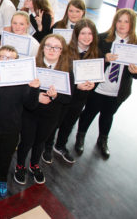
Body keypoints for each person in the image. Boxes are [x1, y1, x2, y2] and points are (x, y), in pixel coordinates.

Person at [76, 8, 137, 159]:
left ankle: (103, 140)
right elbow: (90, 59)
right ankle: (80, 137)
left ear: (132, 24)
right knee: (89, 113)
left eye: (126, 21)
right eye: (119, 20)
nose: (121, 24)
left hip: (118, 90)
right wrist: (104, 59)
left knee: (108, 115)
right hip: (98, 87)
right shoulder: (101, 39)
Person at [0, 46, 39, 199]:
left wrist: (34, 89)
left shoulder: (22, 80)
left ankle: (2, 179)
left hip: (12, 127)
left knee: (6, 156)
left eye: (10, 58)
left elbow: (31, 105)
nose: (6, 61)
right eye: (3, 57)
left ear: (16, 62)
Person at [14, 34, 72, 185]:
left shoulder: (67, 70)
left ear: (61, 50)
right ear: (42, 48)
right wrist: (36, 96)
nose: (52, 50)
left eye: (56, 47)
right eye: (48, 46)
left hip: (51, 115)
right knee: (26, 141)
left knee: (40, 142)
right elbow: (22, 92)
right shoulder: (31, 65)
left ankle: (34, 165)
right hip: (30, 112)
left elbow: (68, 99)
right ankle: (20, 166)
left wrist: (56, 96)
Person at [44, 18, 101, 164]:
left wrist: (93, 83)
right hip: (63, 97)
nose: (87, 37)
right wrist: (76, 85)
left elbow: (98, 75)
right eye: (83, 33)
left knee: (69, 124)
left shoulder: (96, 53)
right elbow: (59, 77)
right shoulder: (65, 52)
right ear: (76, 35)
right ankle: (48, 147)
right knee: (55, 123)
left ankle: (60, 145)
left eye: (90, 34)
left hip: (80, 99)